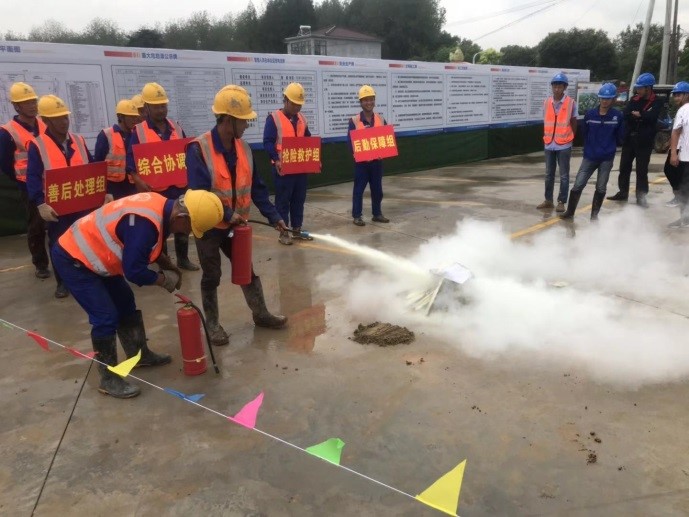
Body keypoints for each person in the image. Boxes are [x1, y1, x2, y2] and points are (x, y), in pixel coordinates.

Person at [51, 190, 224, 398]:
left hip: (99, 255)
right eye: (189, 228)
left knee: (126, 303)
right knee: (105, 317)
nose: (186, 233)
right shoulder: (145, 223)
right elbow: (134, 271)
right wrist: (163, 280)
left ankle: (139, 355)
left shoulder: (161, 206)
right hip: (74, 258)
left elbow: (147, 246)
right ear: (181, 216)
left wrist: (167, 265)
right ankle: (108, 379)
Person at [186, 86, 288, 347]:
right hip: (209, 226)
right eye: (243, 120)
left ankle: (261, 314)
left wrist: (274, 216)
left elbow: (257, 188)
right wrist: (227, 213)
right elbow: (199, 194)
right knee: (211, 275)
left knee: (246, 270)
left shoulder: (244, 149)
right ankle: (212, 325)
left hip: (236, 226)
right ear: (228, 120)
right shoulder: (199, 149)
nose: (247, 124)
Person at [126, 82, 199, 271]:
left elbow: (187, 154)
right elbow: (130, 162)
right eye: (156, 106)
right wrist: (138, 180)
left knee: (182, 221)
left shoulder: (176, 127)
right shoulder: (138, 132)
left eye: (163, 105)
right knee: (159, 228)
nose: (161, 110)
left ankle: (183, 259)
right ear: (147, 107)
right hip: (155, 191)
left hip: (179, 188)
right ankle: (165, 264)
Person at [26, 94, 94, 299]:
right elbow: (33, 177)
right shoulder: (38, 145)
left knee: (85, 240)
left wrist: (104, 191)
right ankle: (63, 282)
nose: (64, 122)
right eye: (58, 119)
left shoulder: (78, 141)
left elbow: (92, 168)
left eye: (65, 117)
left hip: (82, 201)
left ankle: (87, 275)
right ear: (46, 121)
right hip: (57, 206)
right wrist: (40, 203)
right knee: (59, 244)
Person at [0, 82, 50, 278]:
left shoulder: (45, 124)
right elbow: (5, 162)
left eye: (33, 101)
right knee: (36, 226)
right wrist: (22, 180)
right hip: (28, 186)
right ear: (16, 106)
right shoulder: (7, 132)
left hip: (52, 183)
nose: (32, 105)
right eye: (26, 102)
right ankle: (40, 264)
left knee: (57, 224)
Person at [560, 83, 623, 221]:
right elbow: (585, 132)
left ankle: (594, 216)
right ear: (599, 98)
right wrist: (588, 148)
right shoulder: (590, 114)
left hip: (606, 158)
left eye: (608, 99)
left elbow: (620, 137)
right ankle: (570, 212)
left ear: (613, 99)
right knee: (578, 184)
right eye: (602, 98)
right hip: (590, 156)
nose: (604, 101)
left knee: (601, 187)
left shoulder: (617, 116)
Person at [263, 82, 312, 245]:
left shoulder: (302, 119)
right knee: (283, 201)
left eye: (299, 104)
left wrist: (314, 160)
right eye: (294, 103)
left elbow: (308, 140)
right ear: (285, 100)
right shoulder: (274, 118)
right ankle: (284, 233)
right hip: (283, 169)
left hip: (300, 168)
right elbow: (268, 142)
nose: (297, 107)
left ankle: (296, 229)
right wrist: (276, 159)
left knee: (299, 199)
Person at [607, 72, 662, 207]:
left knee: (641, 170)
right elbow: (626, 114)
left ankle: (641, 196)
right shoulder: (634, 99)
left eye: (640, 88)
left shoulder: (657, 101)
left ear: (648, 88)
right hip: (630, 139)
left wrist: (640, 115)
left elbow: (652, 117)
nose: (638, 90)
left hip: (644, 141)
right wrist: (641, 116)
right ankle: (623, 192)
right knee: (624, 167)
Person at [348, 85, 390, 226]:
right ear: (361, 102)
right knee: (358, 190)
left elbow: (386, 139)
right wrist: (356, 154)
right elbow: (350, 141)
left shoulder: (380, 119)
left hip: (376, 163)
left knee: (377, 190)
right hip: (362, 164)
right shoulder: (354, 121)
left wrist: (383, 152)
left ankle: (377, 214)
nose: (369, 102)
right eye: (365, 100)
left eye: (371, 99)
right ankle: (357, 216)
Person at [538, 72, 577, 213]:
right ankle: (548, 200)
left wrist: (571, 137)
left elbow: (574, 122)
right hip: (549, 143)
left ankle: (561, 201)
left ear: (564, 87)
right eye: (555, 86)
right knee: (549, 174)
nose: (557, 89)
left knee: (564, 175)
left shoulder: (571, 103)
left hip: (564, 144)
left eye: (560, 86)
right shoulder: (546, 102)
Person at [94, 99, 141, 200]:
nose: (135, 120)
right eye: (131, 117)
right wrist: (103, 191)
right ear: (120, 117)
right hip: (113, 188)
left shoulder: (136, 134)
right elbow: (97, 165)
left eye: (135, 117)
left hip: (132, 186)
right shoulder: (106, 135)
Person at [667, 81, 689, 227]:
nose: (676, 98)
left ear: (687, 94)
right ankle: (685, 219)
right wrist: (674, 152)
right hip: (686, 157)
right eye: (674, 95)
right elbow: (676, 132)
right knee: (685, 188)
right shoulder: (683, 110)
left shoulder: (684, 109)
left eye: (678, 94)